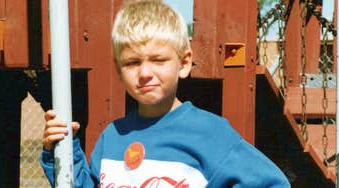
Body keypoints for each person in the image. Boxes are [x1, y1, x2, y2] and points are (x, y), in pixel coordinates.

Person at [40, 0, 290, 187]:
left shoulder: (209, 133)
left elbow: (272, 184)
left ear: (183, 64)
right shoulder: (113, 137)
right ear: (118, 70)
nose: (145, 72)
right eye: (132, 63)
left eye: (158, 60)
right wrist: (60, 151)